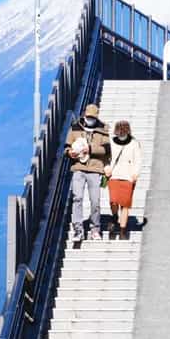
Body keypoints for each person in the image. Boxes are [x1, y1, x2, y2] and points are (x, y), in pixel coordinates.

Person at [65, 103, 110, 241]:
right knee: (77, 197)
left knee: (95, 200)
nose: (90, 119)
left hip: (95, 169)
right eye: (88, 117)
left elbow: (107, 150)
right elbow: (67, 146)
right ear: (85, 115)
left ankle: (95, 228)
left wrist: (90, 149)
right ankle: (78, 229)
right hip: (78, 167)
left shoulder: (103, 130)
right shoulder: (75, 128)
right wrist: (69, 153)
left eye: (93, 117)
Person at [105, 120, 141, 241]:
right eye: (119, 131)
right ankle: (115, 216)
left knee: (125, 205)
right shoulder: (111, 142)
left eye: (123, 131)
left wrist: (135, 173)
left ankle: (122, 230)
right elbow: (106, 158)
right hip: (114, 175)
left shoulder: (134, 143)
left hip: (128, 177)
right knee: (113, 201)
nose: (121, 133)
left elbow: (138, 160)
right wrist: (107, 169)